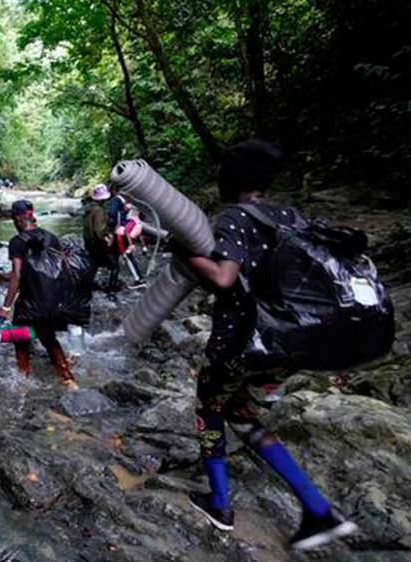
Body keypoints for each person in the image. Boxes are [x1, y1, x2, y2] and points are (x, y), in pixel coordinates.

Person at [175, 139, 357, 550]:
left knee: (208, 412)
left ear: (234, 178)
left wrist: (186, 254)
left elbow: (223, 277)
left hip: (240, 341)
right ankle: (318, 509)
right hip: (284, 344)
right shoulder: (289, 216)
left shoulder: (236, 217)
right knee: (244, 417)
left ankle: (220, 504)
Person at [0, 200, 77, 388]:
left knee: (19, 338)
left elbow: (18, 274)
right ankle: (69, 380)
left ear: (17, 218)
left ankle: (22, 381)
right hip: (54, 300)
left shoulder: (17, 241)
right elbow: (49, 269)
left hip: (31, 302)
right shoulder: (52, 237)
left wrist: (6, 307)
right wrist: (2, 276)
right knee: (49, 338)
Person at [83, 184, 120, 296]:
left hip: (89, 244)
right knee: (115, 267)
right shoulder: (99, 211)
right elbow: (99, 231)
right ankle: (111, 291)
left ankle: (86, 287)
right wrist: (108, 238)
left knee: (93, 266)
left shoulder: (88, 209)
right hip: (99, 245)